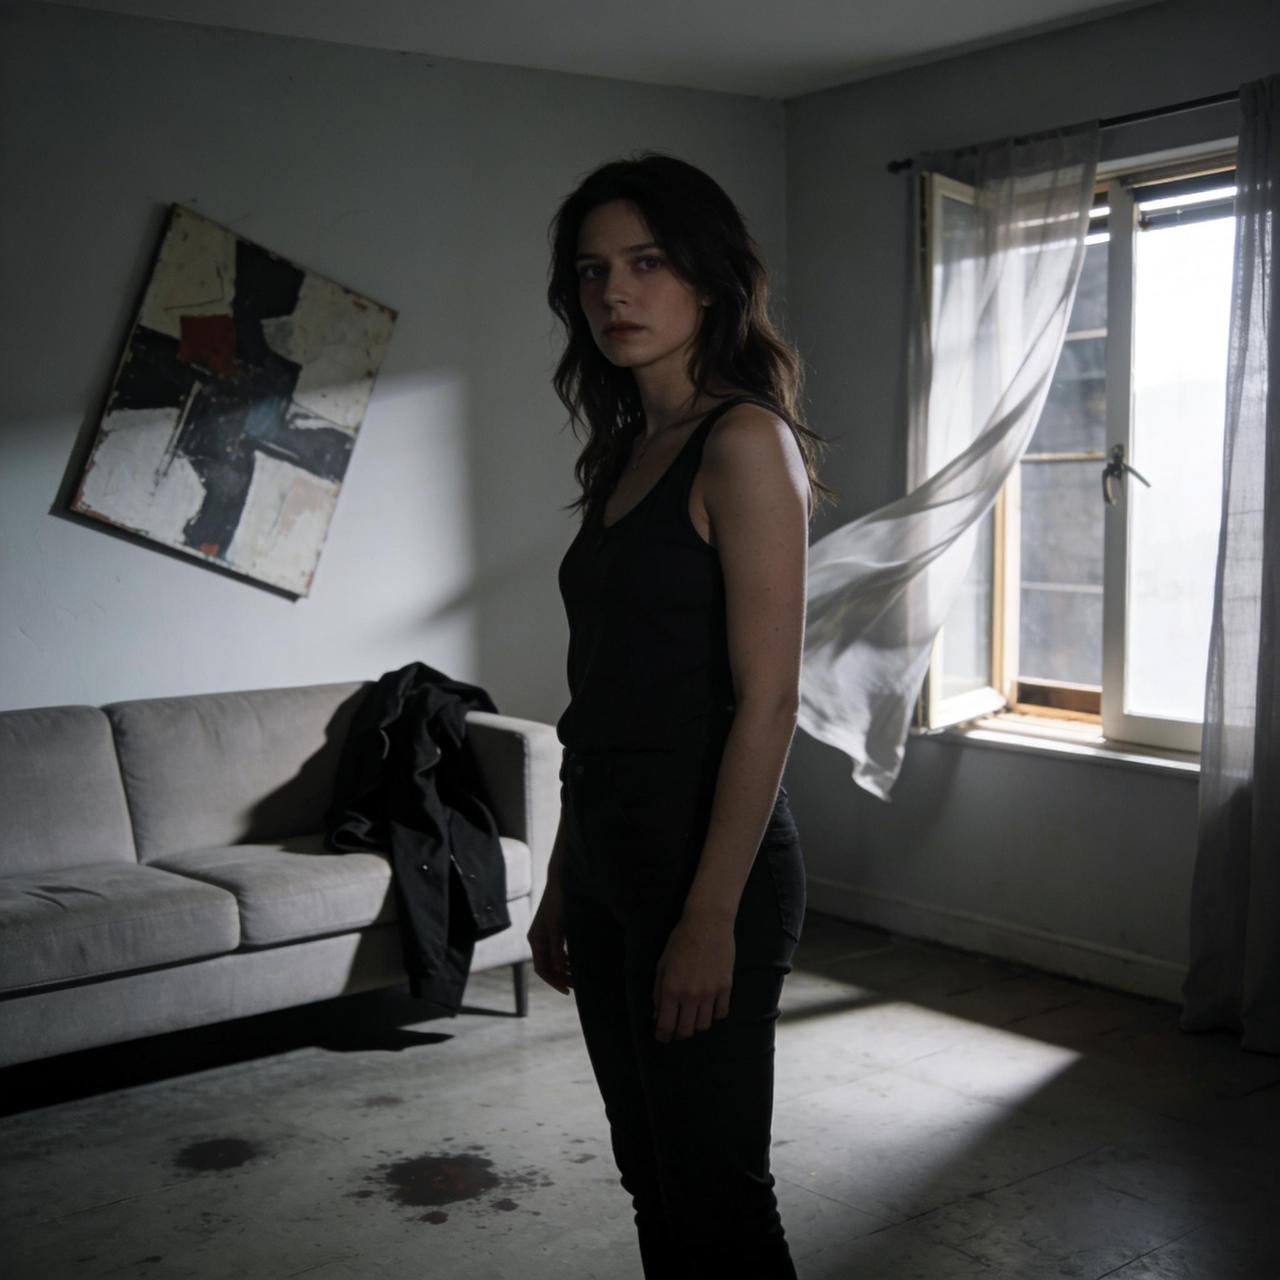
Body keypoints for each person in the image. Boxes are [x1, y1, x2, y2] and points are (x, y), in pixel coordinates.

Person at [527, 151, 835, 1280]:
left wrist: (709, 918)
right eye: (592, 270)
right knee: (649, 1175)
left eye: (645, 262)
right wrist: (565, 874)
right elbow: (601, 695)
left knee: (715, 1196)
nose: (613, 291)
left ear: (707, 279)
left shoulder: (742, 442)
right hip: (609, 860)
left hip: (709, 871)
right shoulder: (625, 451)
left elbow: (770, 699)